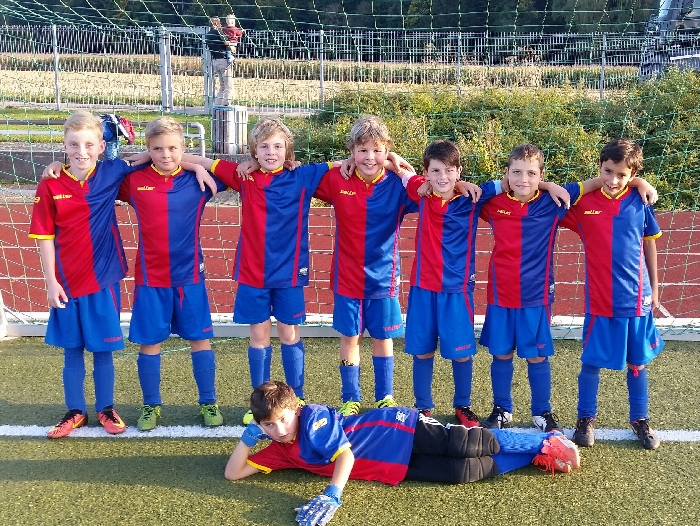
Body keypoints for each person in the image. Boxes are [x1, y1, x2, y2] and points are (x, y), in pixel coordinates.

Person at [477, 144, 657, 432]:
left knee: (537, 355)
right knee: (501, 353)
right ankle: (502, 408)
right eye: (516, 173)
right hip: (500, 295)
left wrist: (637, 182)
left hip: (536, 296)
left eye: (531, 174)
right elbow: (471, 193)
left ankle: (542, 412)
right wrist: (506, 183)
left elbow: (593, 183)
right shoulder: (493, 203)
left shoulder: (554, 203)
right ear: (507, 173)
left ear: (541, 175)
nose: (524, 179)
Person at [225, 381, 581, 526]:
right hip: (393, 465)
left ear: (295, 409)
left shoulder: (313, 417)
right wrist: (248, 438)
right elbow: (233, 474)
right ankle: (536, 456)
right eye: (268, 425)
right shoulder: (279, 449)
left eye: (283, 419)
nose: (279, 429)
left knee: (468, 444)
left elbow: (345, 456)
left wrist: (332, 494)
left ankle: (545, 441)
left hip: (398, 429)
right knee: (462, 473)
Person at [181, 117, 339, 425]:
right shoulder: (245, 177)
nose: (271, 152)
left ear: (287, 150)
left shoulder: (303, 175)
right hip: (253, 273)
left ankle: (296, 398)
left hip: (290, 273)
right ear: (254, 151)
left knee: (289, 333)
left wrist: (393, 159)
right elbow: (194, 159)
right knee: (259, 335)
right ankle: (260, 401)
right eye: (264, 147)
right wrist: (193, 166)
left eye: (278, 146)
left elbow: (352, 161)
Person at [116, 116, 235, 431]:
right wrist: (143, 157)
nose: (165, 155)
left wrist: (195, 164)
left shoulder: (198, 180)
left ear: (183, 148)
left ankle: (208, 402)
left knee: (200, 339)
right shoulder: (134, 181)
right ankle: (150, 405)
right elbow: (101, 173)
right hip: (150, 278)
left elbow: (235, 173)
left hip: (189, 277)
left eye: (172, 148)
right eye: (157, 149)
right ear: (148, 149)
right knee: (149, 343)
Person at [29, 110, 142, 438]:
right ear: (64, 146)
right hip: (65, 282)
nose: (81, 151)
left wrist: (194, 164)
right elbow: (44, 236)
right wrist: (51, 282)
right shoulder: (50, 183)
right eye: (74, 144)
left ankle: (106, 407)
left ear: (102, 146)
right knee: (72, 350)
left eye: (89, 144)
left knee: (103, 350)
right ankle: (75, 410)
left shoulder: (111, 172)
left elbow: (154, 154)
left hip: (102, 280)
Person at [560, 138, 664, 450]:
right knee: (591, 361)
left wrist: (655, 289)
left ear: (632, 175)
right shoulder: (584, 203)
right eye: (608, 172)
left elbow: (649, 245)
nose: (614, 180)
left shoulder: (640, 201)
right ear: (599, 167)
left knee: (637, 363)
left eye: (622, 175)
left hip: (636, 299)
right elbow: (562, 194)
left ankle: (640, 419)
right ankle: (585, 418)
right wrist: (601, 182)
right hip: (600, 300)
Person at [311, 116, 420, 415]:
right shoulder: (338, 180)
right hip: (347, 278)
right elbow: (304, 177)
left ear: (387, 150)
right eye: (362, 150)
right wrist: (339, 163)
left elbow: (426, 188)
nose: (369, 157)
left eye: (377, 150)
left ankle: (385, 396)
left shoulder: (397, 184)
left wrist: (400, 166)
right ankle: (350, 397)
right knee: (350, 338)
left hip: (384, 278)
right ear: (352, 152)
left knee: (383, 338)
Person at [400, 140, 507, 426]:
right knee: (423, 350)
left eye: (449, 170)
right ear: (426, 173)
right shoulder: (421, 192)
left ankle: (463, 404)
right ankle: (423, 407)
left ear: (459, 171)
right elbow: (399, 168)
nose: (443, 177)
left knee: (460, 353)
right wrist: (397, 160)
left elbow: (510, 182)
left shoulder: (474, 197)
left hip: (457, 290)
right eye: (436, 171)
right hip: (423, 287)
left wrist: (548, 186)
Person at [204, 16, 242, 106]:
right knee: (229, 86)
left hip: (215, 61)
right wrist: (232, 47)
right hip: (223, 60)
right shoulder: (219, 32)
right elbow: (226, 42)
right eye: (220, 23)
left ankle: (217, 105)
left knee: (222, 86)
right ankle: (226, 104)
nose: (221, 25)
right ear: (217, 24)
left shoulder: (207, 35)